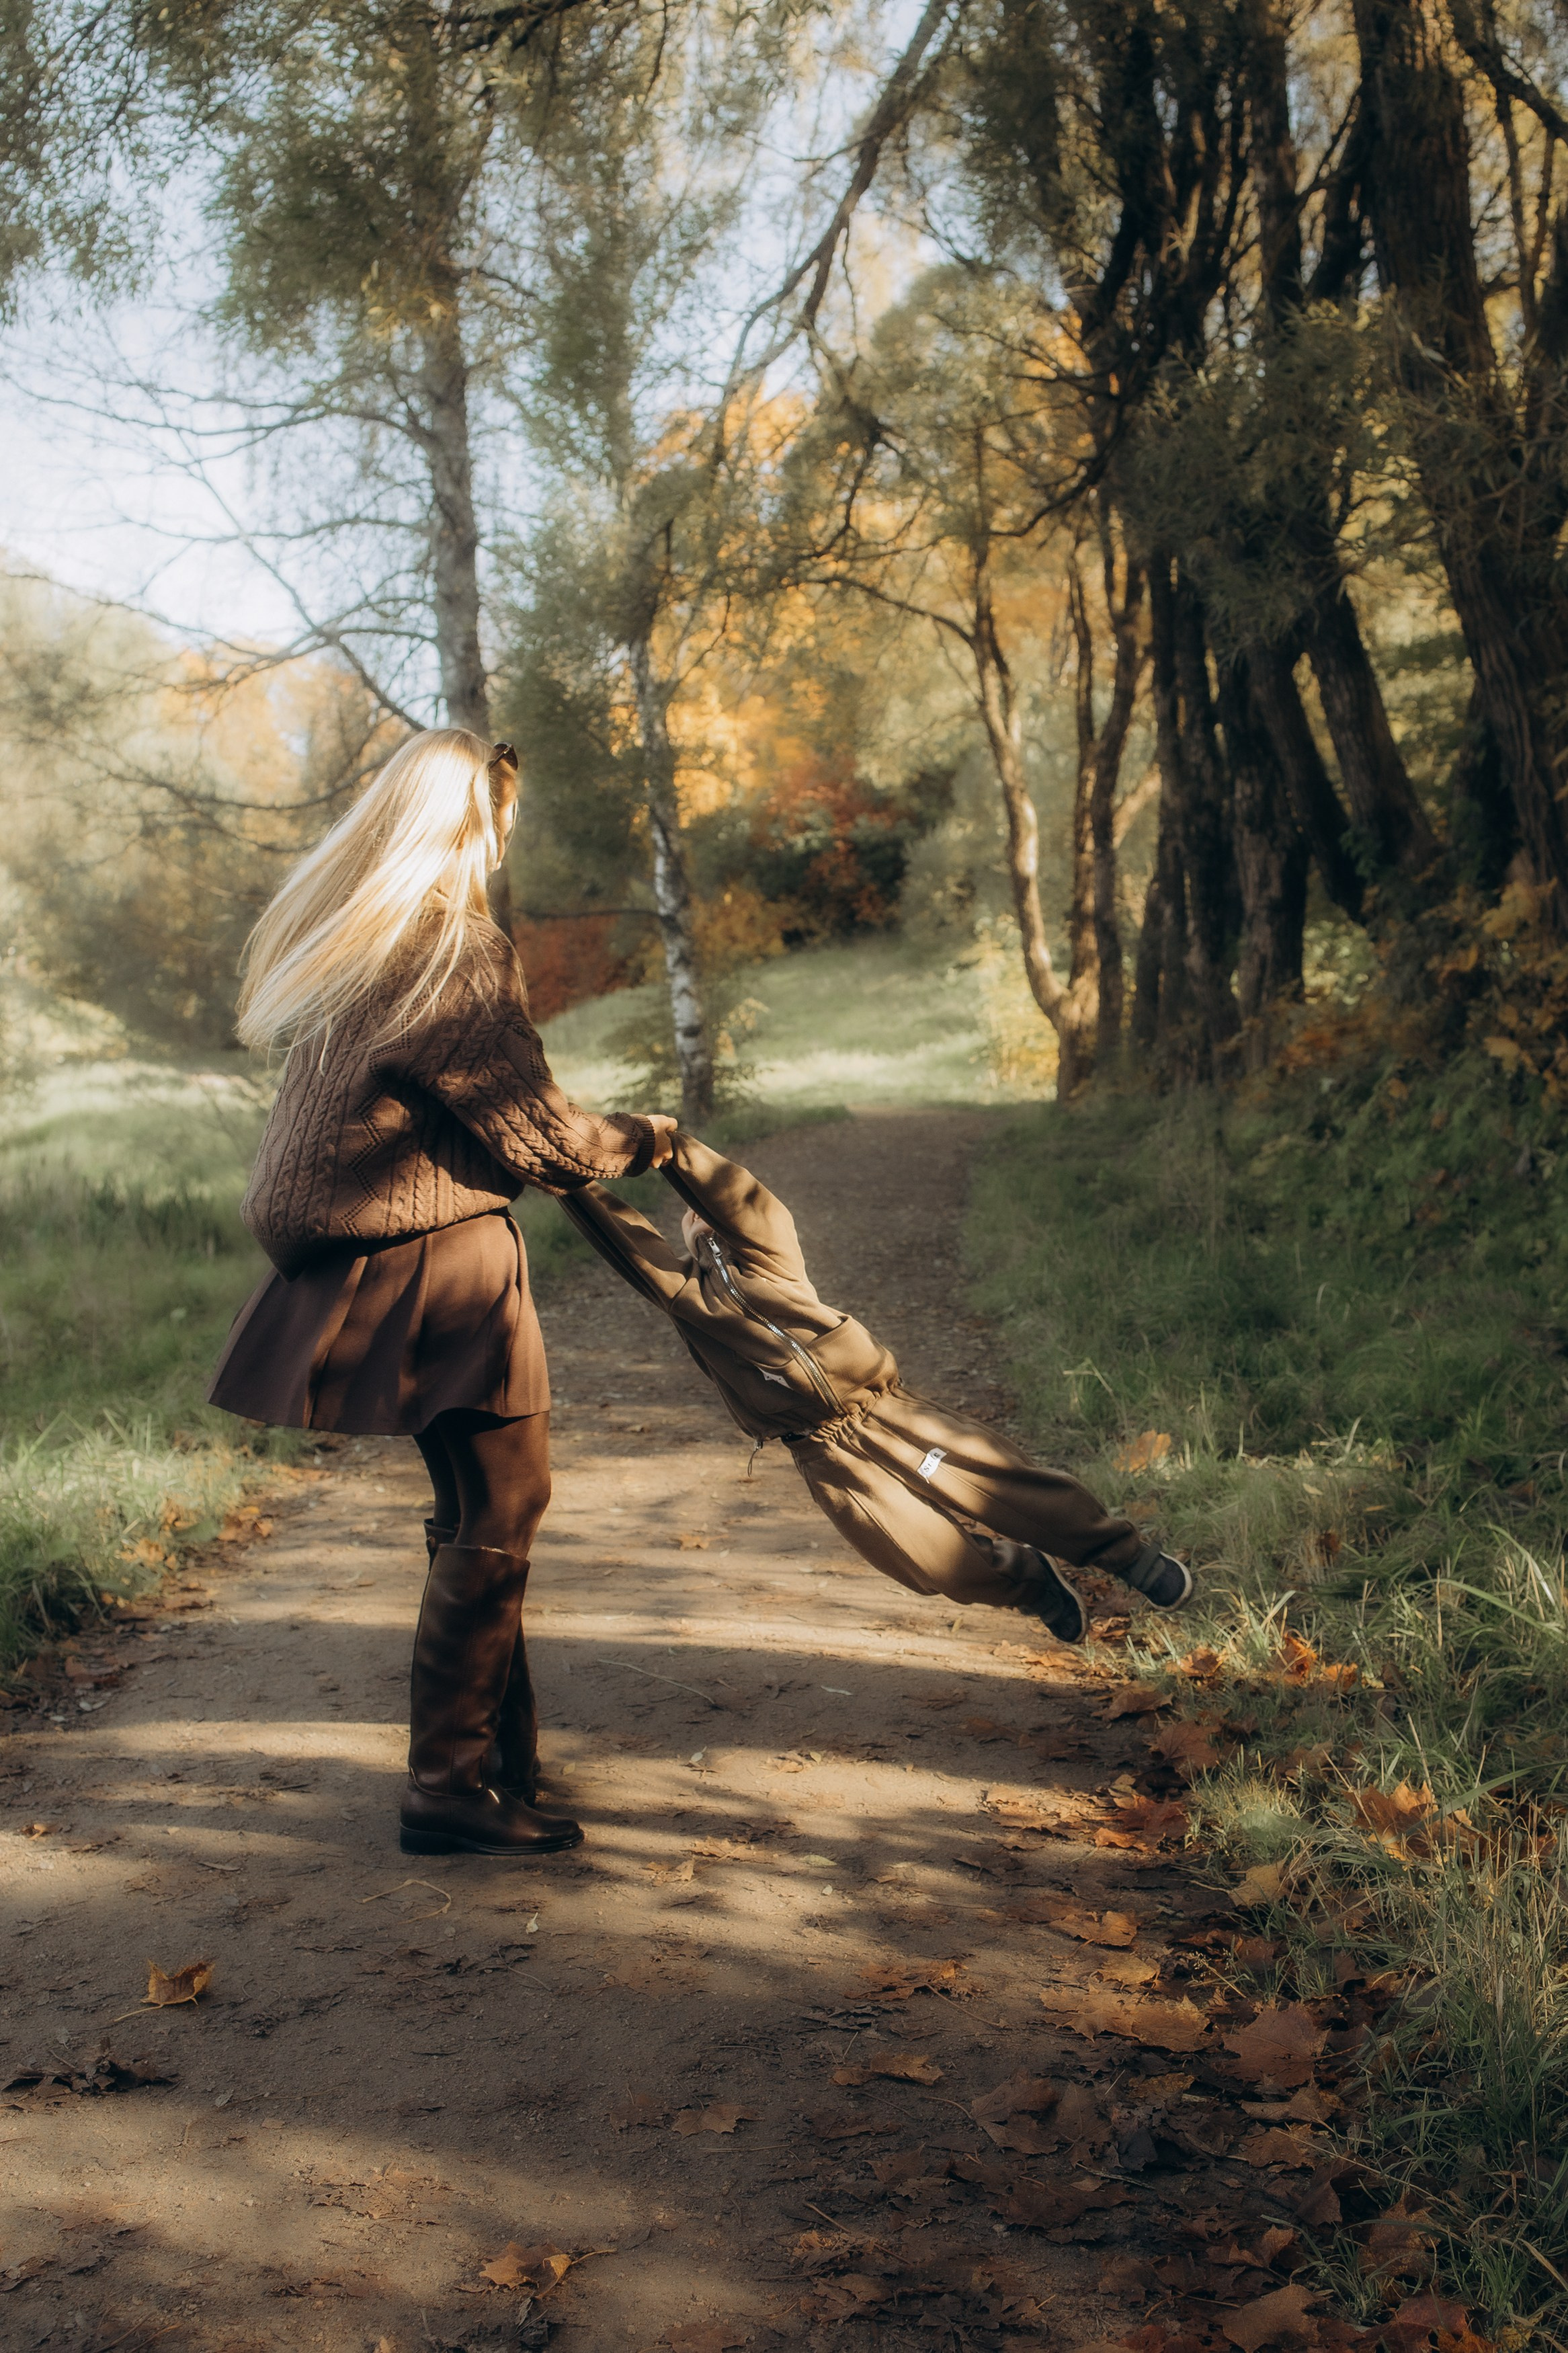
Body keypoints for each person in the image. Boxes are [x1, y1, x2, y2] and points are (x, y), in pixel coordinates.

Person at [208, 728, 676, 1861]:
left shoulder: (360, 952)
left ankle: (495, 1769)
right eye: (499, 819)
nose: (506, 839)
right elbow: (546, 1143)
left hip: (384, 1266)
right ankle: (446, 1791)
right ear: (467, 823)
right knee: (505, 1506)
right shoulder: (448, 951)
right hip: (445, 1272)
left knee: (478, 1512)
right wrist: (654, 1138)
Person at [563, 1133, 1192, 1637]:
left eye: (707, 1215)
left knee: (1004, 1486)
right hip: (817, 1447)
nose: (698, 1221)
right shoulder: (682, 1296)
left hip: (880, 1407)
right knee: (916, 1557)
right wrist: (566, 1171)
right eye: (689, 1221)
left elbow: (747, 1203)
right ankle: (1026, 1583)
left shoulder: (771, 1258)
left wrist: (668, 1145)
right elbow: (625, 1241)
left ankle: (1126, 1559)